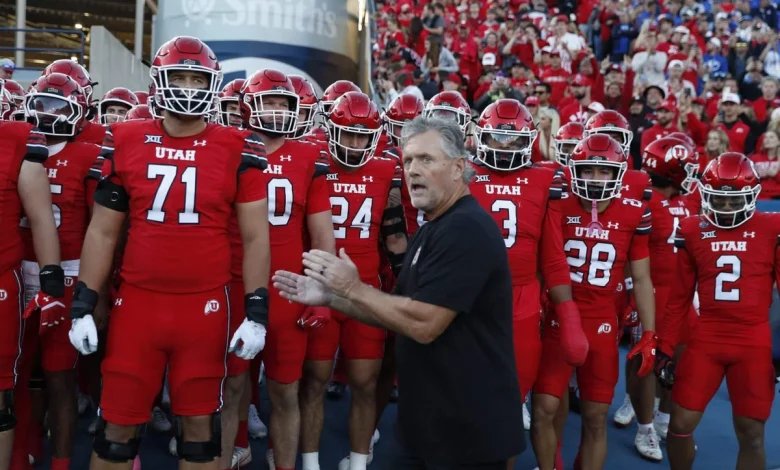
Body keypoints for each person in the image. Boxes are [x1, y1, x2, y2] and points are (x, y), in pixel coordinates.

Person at [274, 116, 526, 469]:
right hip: (430, 423)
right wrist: (333, 298)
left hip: (466, 434)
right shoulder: (436, 225)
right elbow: (396, 308)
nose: (413, 170)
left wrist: (353, 287)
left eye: (426, 159)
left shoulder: (465, 228)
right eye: (408, 160)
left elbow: (424, 323)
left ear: (458, 168)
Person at [66, 36, 271, 470]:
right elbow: (103, 232)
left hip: (205, 308)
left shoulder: (238, 146)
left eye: (197, 78)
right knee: (114, 434)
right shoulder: (124, 138)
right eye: (178, 76)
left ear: (213, 84)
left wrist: (256, 311)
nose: (188, 87)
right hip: (137, 306)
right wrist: (83, 300)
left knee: (201, 433)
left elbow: (255, 237)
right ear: (158, 81)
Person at [221, 69, 335, 470]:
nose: (275, 109)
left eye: (283, 103)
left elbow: (322, 234)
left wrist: (322, 292)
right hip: (235, 284)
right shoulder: (227, 146)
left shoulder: (308, 156)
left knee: (285, 391)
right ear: (248, 106)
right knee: (232, 386)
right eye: (268, 101)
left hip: (288, 288)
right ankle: (234, 451)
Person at [470, 99, 585, 470]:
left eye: (512, 139)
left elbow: (553, 257)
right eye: (497, 138)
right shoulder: (461, 171)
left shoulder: (545, 176)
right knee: (461, 402)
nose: (504, 148)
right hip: (465, 299)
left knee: (507, 408)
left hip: (521, 301)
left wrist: (568, 316)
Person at [532, 134, 657, 470]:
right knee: (542, 408)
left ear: (619, 173)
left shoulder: (634, 211)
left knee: (596, 417)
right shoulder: (558, 203)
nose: (596, 179)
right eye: (588, 170)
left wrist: (650, 333)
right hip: (558, 317)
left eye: (604, 172)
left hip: (603, 323)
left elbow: (642, 277)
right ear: (575, 171)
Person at [299, 91, 407, 470]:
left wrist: (405, 284)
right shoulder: (312, 161)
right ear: (331, 130)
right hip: (321, 288)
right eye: (348, 133)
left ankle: (359, 463)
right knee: (313, 382)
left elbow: (394, 236)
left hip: (365, 291)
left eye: (363, 136)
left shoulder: (386, 170)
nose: (355, 143)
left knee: (364, 382)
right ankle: (310, 463)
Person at [656, 152, 779, 470]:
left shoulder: (771, 227)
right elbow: (678, 299)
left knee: (752, 434)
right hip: (706, 338)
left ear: (752, 195)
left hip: (753, 340)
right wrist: (665, 348)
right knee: (679, 426)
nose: (725, 209)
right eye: (718, 200)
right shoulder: (693, 229)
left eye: (733, 201)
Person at [16, 72, 103, 470]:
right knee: (19, 372)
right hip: (17, 269)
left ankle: (62, 462)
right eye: (43, 105)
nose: (48, 115)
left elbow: (100, 226)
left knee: (59, 375)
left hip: (66, 272)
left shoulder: (90, 150)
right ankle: (25, 448)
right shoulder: (15, 143)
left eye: (59, 107)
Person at [0, 114, 62, 470]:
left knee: (2, 394)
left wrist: (50, 283)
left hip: (2, 283)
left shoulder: (16, 140)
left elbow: (41, 218)